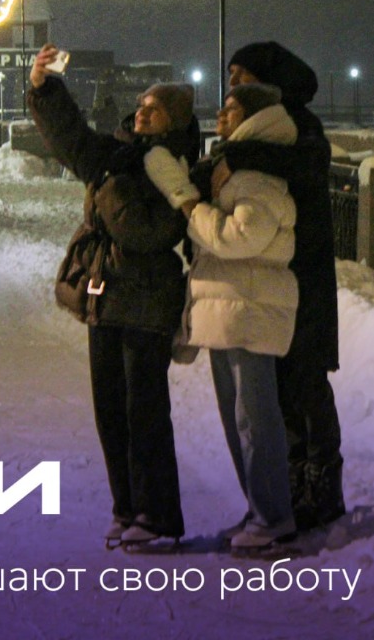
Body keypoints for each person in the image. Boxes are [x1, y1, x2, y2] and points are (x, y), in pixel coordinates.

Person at [27, 43, 193, 549]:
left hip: (147, 301)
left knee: (144, 413)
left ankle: (157, 515)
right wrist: (44, 87)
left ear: (174, 120)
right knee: (111, 412)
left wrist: (108, 188)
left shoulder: (175, 166)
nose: (142, 112)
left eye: (154, 108)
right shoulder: (118, 155)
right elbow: (70, 137)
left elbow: (147, 231)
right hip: (105, 295)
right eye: (141, 104)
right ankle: (126, 508)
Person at [145, 82, 301, 551]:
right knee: (240, 420)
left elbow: (238, 238)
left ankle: (273, 518)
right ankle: (260, 511)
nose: (220, 115)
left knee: (255, 419)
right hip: (230, 306)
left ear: (254, 117)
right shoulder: (236, 167)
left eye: (230, 109)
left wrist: (190, 204)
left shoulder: (257, 178)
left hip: (248, 308)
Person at [207, 42, 345, 531]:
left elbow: (302, 164)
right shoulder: (261, 131)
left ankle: (321, 487)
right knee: (277, 385)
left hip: (304, 271)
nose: (232, 83)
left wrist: (237, 152)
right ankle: (288, 488)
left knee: (305, 379)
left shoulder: (300, 127)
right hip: (272, 274)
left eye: (240, 75)